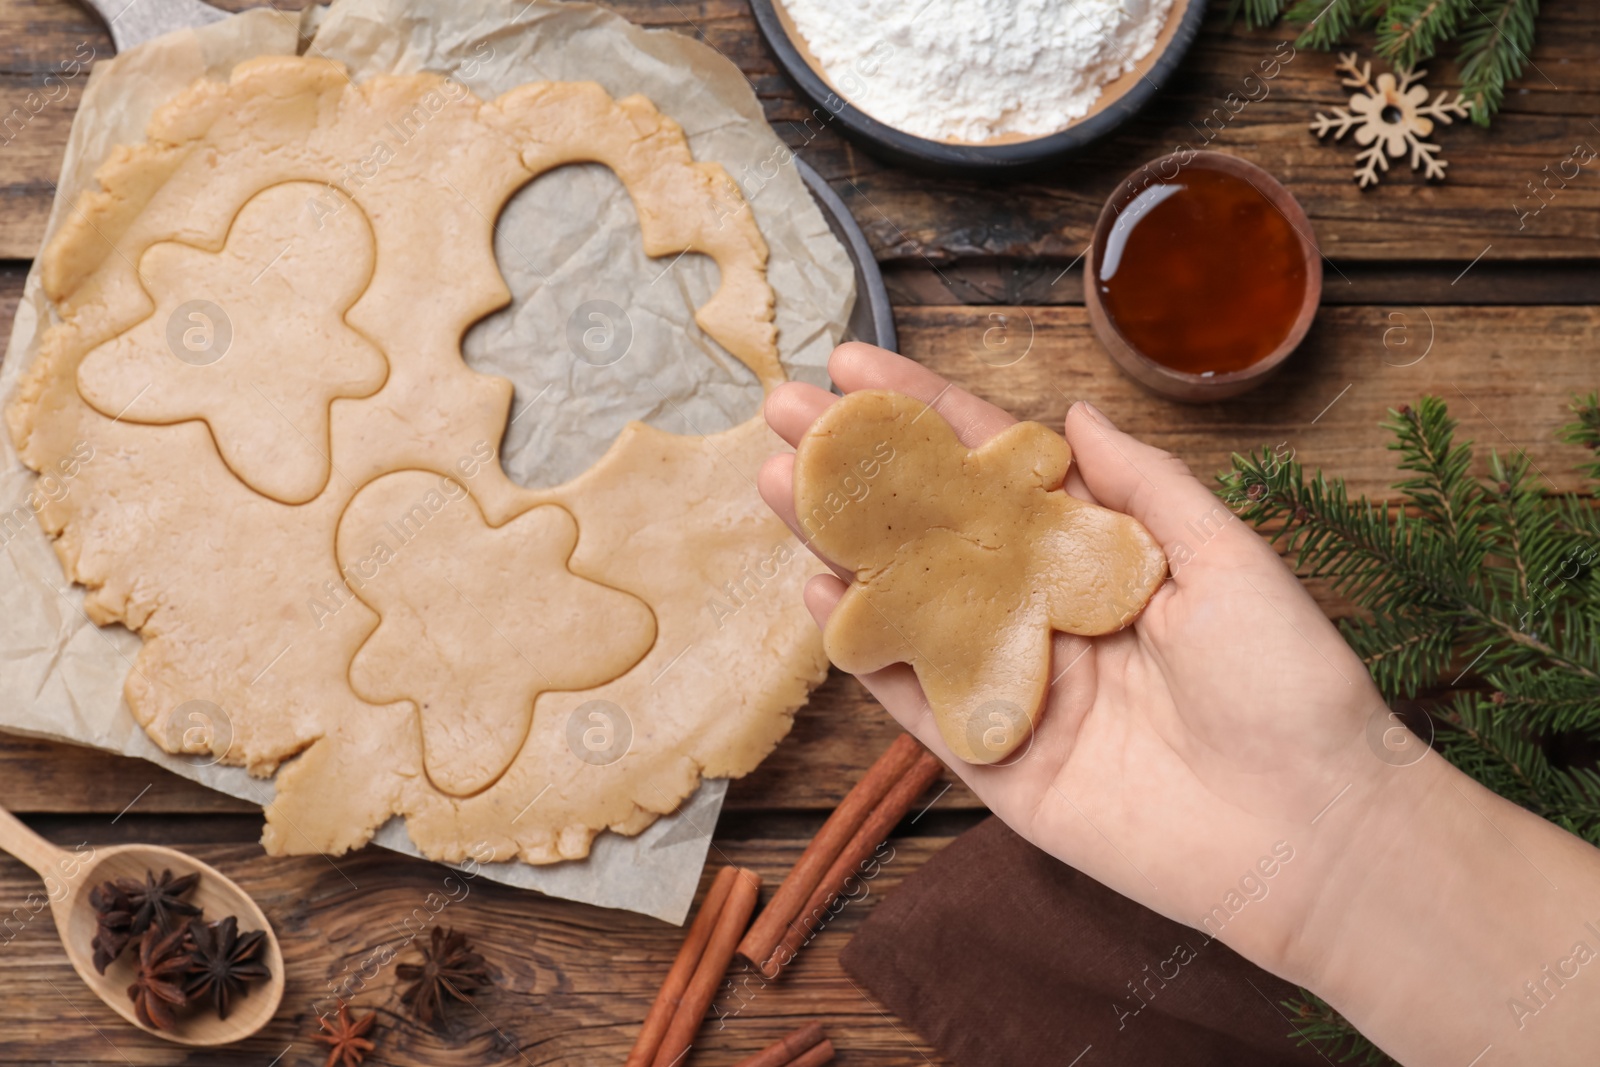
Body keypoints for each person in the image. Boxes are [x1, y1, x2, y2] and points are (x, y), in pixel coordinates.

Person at [758, 343, 1600, 1067]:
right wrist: (1353, 843)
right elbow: (873, 623)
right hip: (984, 648)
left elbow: (888, 608)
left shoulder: (997, 475)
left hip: (1065, 560)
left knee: (1071, 589)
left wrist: (1350, 836)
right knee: (989, 672)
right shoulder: (979, 494)